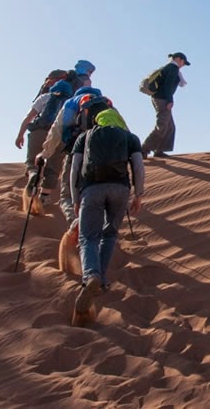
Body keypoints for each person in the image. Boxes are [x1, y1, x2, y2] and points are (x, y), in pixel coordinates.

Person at [70, 107, 144, 326]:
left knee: (87, 237)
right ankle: (100, 280)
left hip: (91, 189)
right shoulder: (130, 137)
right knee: (109, 235)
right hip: (120, 190)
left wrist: (76, 198)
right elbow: (138, 167)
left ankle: (90, 276)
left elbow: (74, 169)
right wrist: (138, 195)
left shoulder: (85, 136)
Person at [38, 86, 104, 225]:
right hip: (101, 156)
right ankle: (97, 228)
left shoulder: (71, 103)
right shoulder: (106, 105)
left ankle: (76, 225)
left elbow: (56, 131)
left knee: (66, 196)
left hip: (75, 152)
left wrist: (45, 153)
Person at [16, 80, 74, 208]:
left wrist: (20, 135)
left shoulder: (44, 97)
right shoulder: (71, 103)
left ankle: (33, 174)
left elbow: (29, 117)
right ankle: (44, 197)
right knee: (53, 168)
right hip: (60, 136)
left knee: (32, 162)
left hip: (39, 132)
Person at [143, 52, 190, 159]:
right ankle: (144, 149)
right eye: (183, 62)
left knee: (170, 126)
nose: (183, 65)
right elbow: (168, 85)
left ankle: (159, 150)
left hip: (160, 98)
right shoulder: (173, 68)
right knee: (163, 125)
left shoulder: (169, 67)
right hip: (162, 99)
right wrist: (170, 100)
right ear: (178, 59)